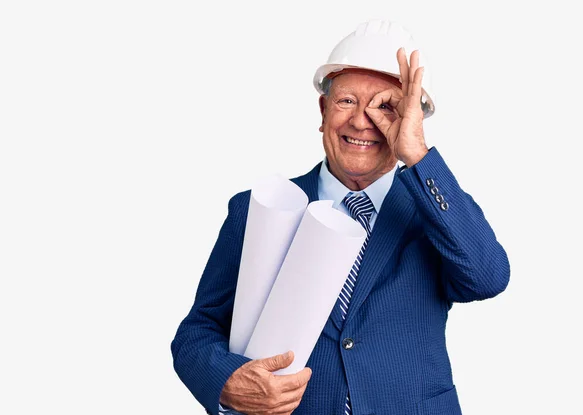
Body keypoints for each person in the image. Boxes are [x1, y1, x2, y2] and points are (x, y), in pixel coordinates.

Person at [171, 20, 510, 415]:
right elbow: (196, 333)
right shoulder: (259, 208)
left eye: (386, 107)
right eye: (347, 101)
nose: (361, 121)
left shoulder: (432, 209)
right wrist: (229, 381)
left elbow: (488, 277)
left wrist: (417, 155)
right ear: (323, 109)